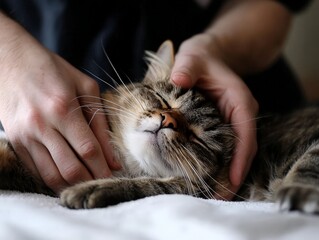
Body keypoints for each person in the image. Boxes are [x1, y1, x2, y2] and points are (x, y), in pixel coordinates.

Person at [0, 0, 311, 198]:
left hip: (248, 106)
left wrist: (214, 47)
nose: (169, 120)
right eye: (161, 101)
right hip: (36, 85)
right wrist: (9, 56)